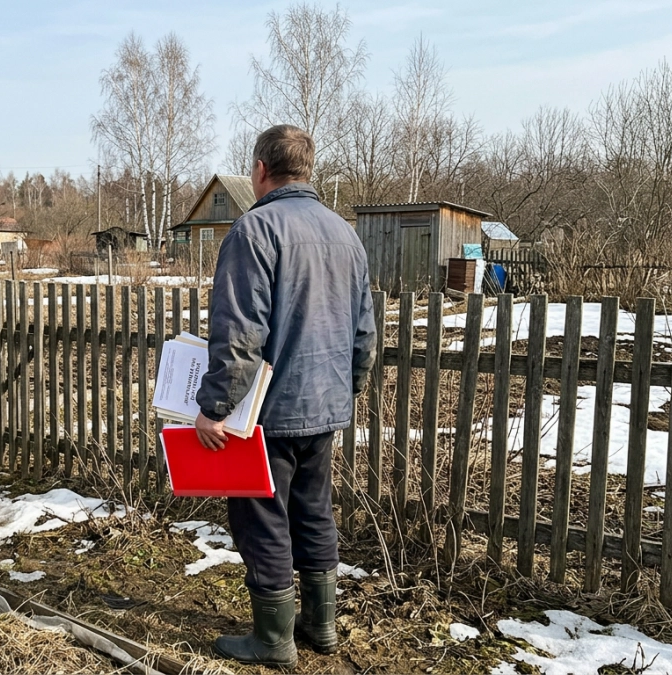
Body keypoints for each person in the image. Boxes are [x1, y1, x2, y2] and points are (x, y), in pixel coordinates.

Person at [194, 124, 376, 668]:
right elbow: (365, 331)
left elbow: (239, 331)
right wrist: (348, 388)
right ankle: (322, 626)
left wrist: (214, 407)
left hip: (268, 414)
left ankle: (273, 640)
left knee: (263, 518)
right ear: (308, 168)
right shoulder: (345, 234)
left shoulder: (254, 230)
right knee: (314, 512)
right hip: (325, 406)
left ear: (259, 169)